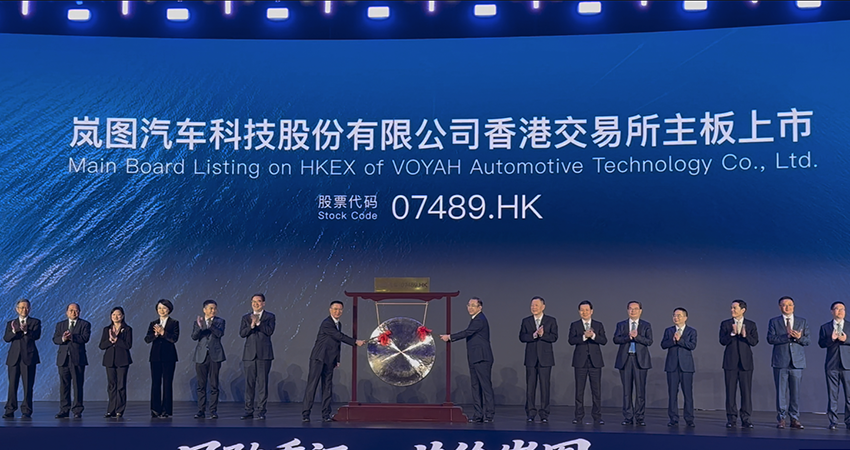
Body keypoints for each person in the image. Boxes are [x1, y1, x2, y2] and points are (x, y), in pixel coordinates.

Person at [301, 301, 364, 422]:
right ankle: (306, 414)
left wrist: (337, 359)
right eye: (335, 309)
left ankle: (326, 414)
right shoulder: (327, 323)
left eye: (340, 309)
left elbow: (337, 343)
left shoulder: (338, 324)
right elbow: (339, 336)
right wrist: (355, 341)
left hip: (329, 360)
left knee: (327, 387)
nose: (337, 312)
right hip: (318, 358)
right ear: (330, 310)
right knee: (312, 386)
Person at [441, 297, 495, 423]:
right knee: (475, 387)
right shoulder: (475, 319)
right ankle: (478, 415)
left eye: (473, 305)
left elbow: (467, 332)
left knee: (485, 387)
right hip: (474, 358)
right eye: (469, 305)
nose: (470, 308)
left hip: (482, 358)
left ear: (479, 307)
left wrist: (450, 337)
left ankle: (489, 415)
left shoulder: (480, 319)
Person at [767, 296, 809, 429]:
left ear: (794, 306)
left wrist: (798, 338)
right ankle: (781, 418)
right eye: (784, 305)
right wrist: (787, 337)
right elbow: (770, 339)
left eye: (790, 305)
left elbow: (807, 341)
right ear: (780, 307)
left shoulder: (802, 321)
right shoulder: (774, 322)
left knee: (795, 392)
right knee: (781, 392)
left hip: (797, 362)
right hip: (780, 361)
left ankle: (795, 418)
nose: (787, 307)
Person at [518, 296, 558, 423]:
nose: (533, 308)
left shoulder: (551, 320)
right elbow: (522, 337)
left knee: (545, 387)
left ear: (543, 307)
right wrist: (533, 335)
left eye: (536, 305)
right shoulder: (526, 321)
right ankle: (530, 412)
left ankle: (544, 413)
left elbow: (554, 337)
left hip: (545, 359)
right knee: (530, 387)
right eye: (532, 305)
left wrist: (543, 335)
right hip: (531, 358)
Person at [719, 299, 759, 428]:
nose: (732, 310)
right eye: (731, 308)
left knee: (746, 392)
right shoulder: (726, 324)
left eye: (735, 308)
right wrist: (732, 334)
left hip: (746, 363)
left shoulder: (751, 324)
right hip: (730, 362)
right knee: (730, 392)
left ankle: (746, 418)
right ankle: (731, 418)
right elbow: (722, 341)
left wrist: (745, 335)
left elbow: (754, 342)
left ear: (743, 310)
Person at [613, 300, 652, 426]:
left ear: (640, 311)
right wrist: (628, 337)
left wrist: (637, 337)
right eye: (630, 308)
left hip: (640, 360)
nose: (633, 311)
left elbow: (649, 341)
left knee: (640, 391)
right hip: (625, 360)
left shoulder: (646, 325)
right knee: (626, 391)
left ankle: (640, 417)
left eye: (635, 309)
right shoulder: (621, 325)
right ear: (627, 310)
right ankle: (628, 417)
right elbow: (616, 339)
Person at [568, 300, 606, 425]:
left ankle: (597, 416)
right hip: (580, 362)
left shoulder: (598, 325)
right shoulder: (575, 325)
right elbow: (571, 340)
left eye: (587, 310)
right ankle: (578, 416)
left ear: (591, 311)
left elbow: (604, 340)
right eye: (582, 310)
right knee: (579, 391)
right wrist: (584, 337)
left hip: (595, 362)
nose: (584, 312)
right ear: (579, 312)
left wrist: (593, 336)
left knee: (596, 391)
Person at [3, 299, 41, 419]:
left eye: (27, 307)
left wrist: (26, 331)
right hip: (13, 358)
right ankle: (10, 409)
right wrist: (15, 331)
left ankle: (26, 411)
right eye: (22, 308)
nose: (24, 310)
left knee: (28, 386)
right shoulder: (11, 323)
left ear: (30, 309)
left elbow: (36, 336)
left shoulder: (35, 322)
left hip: (29, 358)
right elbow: (6, 338)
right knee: (12, 385)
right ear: (17, 309)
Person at [52, 303, 91, 419]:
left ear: (79, 312)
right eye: (71, 310)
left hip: (78, 359)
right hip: (63, 359)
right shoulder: (60, 325)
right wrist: (63, 338)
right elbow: (55, 339)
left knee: (77, 385)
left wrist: (72, 337)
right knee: (64, 386)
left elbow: (85, 338)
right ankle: (64, 410)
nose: (74, 313)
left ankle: (77, 410)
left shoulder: (85, 324)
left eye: (76, 310)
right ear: (67, 312)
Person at [240, 293, 275, 420]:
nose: (256, 304)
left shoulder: (270, 316)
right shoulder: (246, 317)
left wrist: (259, 322)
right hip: (249, 355)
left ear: (263, 303)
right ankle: (248, 410)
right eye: (253, 301)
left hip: (264, 355)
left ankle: (261, 411)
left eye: (259, 301)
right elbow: (242, 333)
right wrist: (251, 326)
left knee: (262, 384)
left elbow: (269, 331)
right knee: (249, 384)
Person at [660, 307, 697, 428]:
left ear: (685, 317)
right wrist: (673, 341)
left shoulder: (691, 331)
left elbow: (692, 345)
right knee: (672, 394)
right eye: (674, 315)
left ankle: (689, 419)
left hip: (686, 367)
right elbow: (663, 345)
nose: (676, 318)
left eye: (679, 316)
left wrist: (680, 340)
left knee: (688, 394)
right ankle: (673, 418)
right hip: (672, 366)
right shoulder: (669, 330)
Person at [144, 299, 179, 418]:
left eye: (164, 308)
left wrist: (163, 332)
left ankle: (166, 410)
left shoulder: (174, 323)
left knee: (167, 383)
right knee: (155, 383)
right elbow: (147, 339)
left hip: (169, 357)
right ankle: (155, 409)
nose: (161, 310)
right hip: (155, 357)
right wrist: (155, 334)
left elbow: (174, 339)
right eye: (159, 308)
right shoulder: (153, 323)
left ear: (169, 309)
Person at [191, 299, 225, 419]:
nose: (213, 311)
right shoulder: (198, 322)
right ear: (204, 310)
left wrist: (210, 326)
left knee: (214, 384)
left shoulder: (220, 321)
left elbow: (219, 334)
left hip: (215, 355)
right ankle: (201, 410)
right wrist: (200, 327)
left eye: (215, 308)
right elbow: (194, 337)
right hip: (201, 356)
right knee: (201, 385)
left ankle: (213, 411)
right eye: (210, 308)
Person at [819, 301, 850, 430]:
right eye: (837, 309)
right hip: (832, 365)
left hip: (848, 365)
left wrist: (846, 340)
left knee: (849, 395)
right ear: (832, 311)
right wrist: (831, 339)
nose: (840, 311)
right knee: (832, 395)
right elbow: (821, 343)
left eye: (842, 309)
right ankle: (833, 421)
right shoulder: (825, 327)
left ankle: (849, 421)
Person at [99, 306, 132, 418]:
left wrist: (117, 340)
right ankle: (111, 410)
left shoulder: (127, 329)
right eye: (113, 315)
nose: (116, 317)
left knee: (121, 386)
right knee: (111, 386)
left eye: (118, 315)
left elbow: (128, 345)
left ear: (122, 316)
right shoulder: (106, 329)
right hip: (109, 361)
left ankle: (120, 410)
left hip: (123, 360)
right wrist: (110, 341)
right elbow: (101, 346)